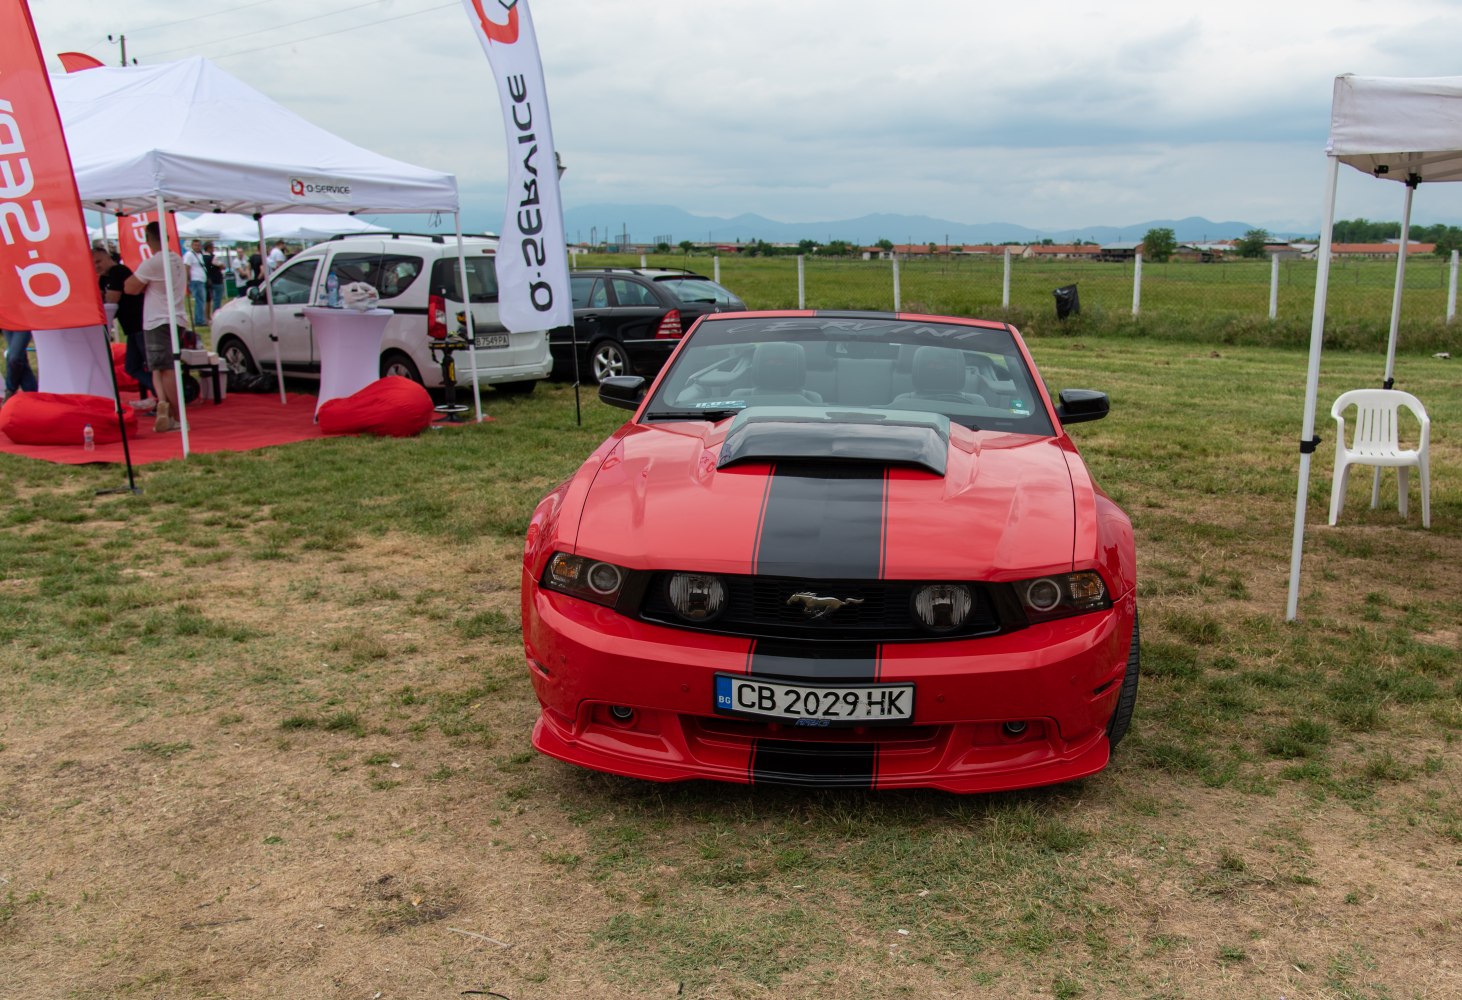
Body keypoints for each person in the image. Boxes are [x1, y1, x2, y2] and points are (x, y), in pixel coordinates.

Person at [124, 222, 191, 433]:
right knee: (158, 368)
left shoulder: (155, 262)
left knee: (166, 369)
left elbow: (130, 288)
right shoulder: (176, 260)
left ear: (147, 238)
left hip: (159, 320)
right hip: (173, 317)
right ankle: (166, 410)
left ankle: (178, 416)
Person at [92, 243, 154, 408]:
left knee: (150, 365)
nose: (96, 266)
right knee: (132, 366)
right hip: (131, 327)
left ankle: (165, 397)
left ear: (108, 258)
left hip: (141, 324)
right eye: (93, 264)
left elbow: (111, 300)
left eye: (99, 261)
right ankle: (160, 395)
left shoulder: (118, 272)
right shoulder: (105, 278)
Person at [3, 328, 36, 397]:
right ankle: (32, 394)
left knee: (15, 357)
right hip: (7, 321)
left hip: (23, 321)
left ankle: (10, 389)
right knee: (20, 358)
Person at [182, 238, 208, 328]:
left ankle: (200, 318)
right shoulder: (189, 255)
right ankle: (199, 320)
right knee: (200, 300)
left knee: (201, 300)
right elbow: (186, 267)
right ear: (192, 246)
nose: (197, 247)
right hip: (195, 280)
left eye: (198, 245)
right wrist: (188, 279)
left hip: (201, 280)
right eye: (195, 245)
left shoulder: (199, 254)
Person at [202, 241, 225, 320]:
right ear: (209, 248)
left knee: (209, 299)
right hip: (217, 280)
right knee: (217, 299)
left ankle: (207, 316)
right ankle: (215, 315)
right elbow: (221, 265)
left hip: (208, 280)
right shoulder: (213, 257)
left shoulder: (202, 257)